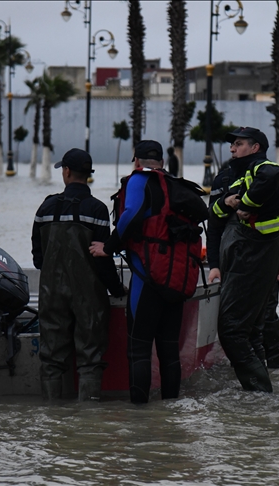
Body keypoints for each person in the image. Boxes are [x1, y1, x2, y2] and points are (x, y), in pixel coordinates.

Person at [91, 140, 203, 404]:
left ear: (136, 162)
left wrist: (108, 247)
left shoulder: (138, 180)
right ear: (162, 163)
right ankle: (170, 409)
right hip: (176, 280)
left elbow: (131, 214)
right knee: (169, 351)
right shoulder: (175, 186)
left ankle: (139, 416)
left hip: (147, 278)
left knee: (139, 349)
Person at [32, 148, 125, 401]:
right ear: (88, 175)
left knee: (51, 358)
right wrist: (117, 290)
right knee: (90, 358)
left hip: (51, 293)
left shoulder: (46, 207)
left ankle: (51, 414)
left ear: (66, 172)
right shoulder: (97, 210)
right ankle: (88, 417)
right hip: (89, 296)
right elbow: (103, 259)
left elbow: (38, 258)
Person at [209, 127, 279, 392]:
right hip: (239, 260)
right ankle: (262, 395)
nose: (232, 148)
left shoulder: (263, 169)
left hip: (256, 259)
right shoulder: (233, 177)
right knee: (249, 330)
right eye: (232, 144)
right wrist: (227, 204)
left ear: (255, 148)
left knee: (232, 329)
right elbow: (214, 216)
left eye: (239, 143)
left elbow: (273, 177)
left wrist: (244, 203)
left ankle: (261, 388)